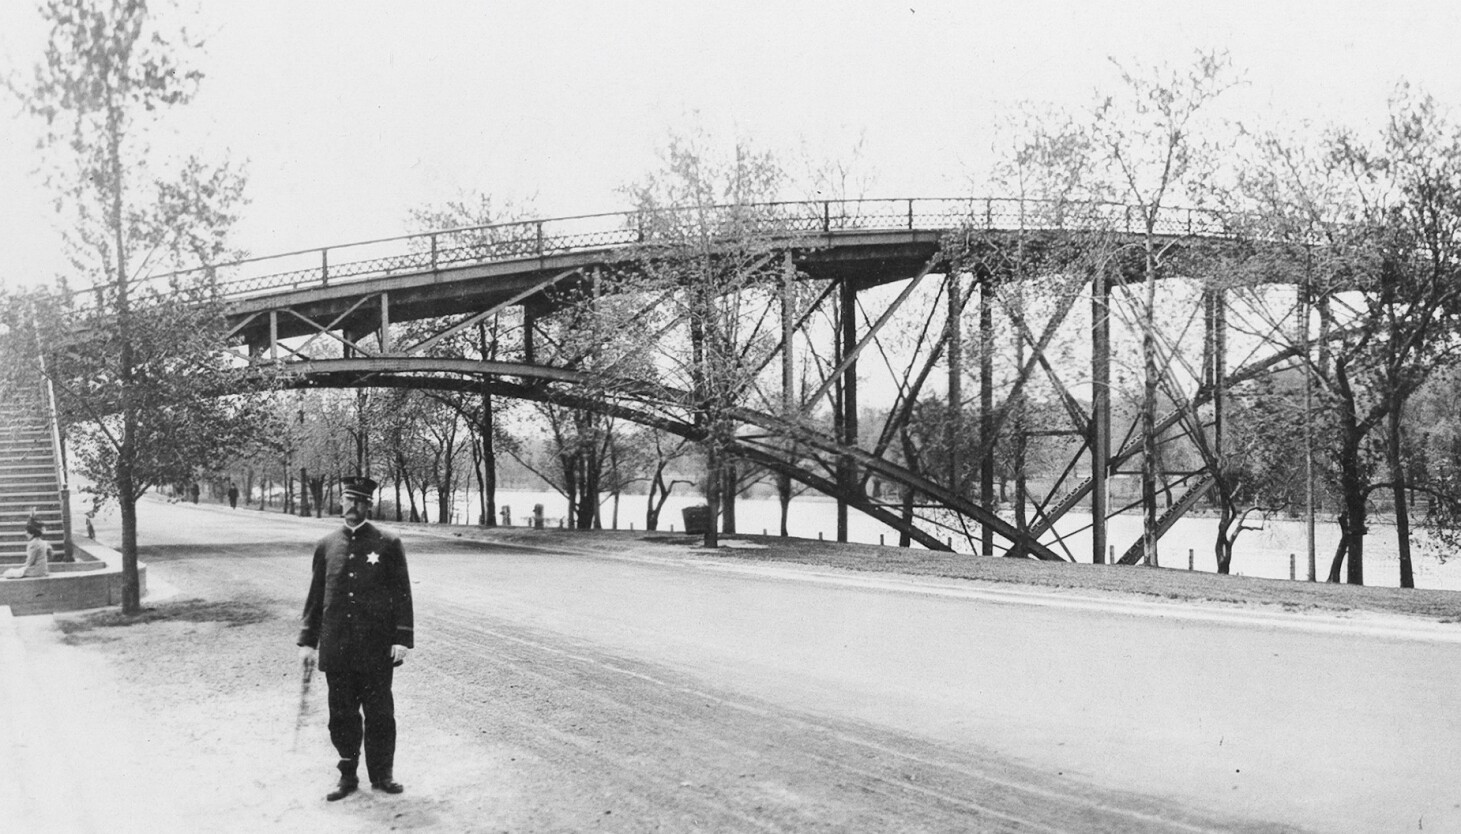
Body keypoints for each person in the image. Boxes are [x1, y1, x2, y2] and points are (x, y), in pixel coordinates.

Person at [297, 475, 414, 801]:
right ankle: (347, 775)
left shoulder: (387, 543)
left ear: (369, 506)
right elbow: (315, 598)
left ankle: (382, 774)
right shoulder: (326, 545)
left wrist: (402, 638)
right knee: (342, 715)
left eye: (361, 502)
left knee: (380, 715)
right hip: (337, 649)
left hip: (376, 649)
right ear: (341, 501)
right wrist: (308, 642)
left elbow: (402, 594)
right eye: (349, 500)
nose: (354, 506)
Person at [3, 512, 51, 579]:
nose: (25, 534)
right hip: (43, 570)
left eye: (27, 532)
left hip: (36, 571)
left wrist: (23, 569)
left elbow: (30, 561)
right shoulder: (42, 542)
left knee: (8, 573)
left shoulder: (33, 543)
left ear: (32, 534)